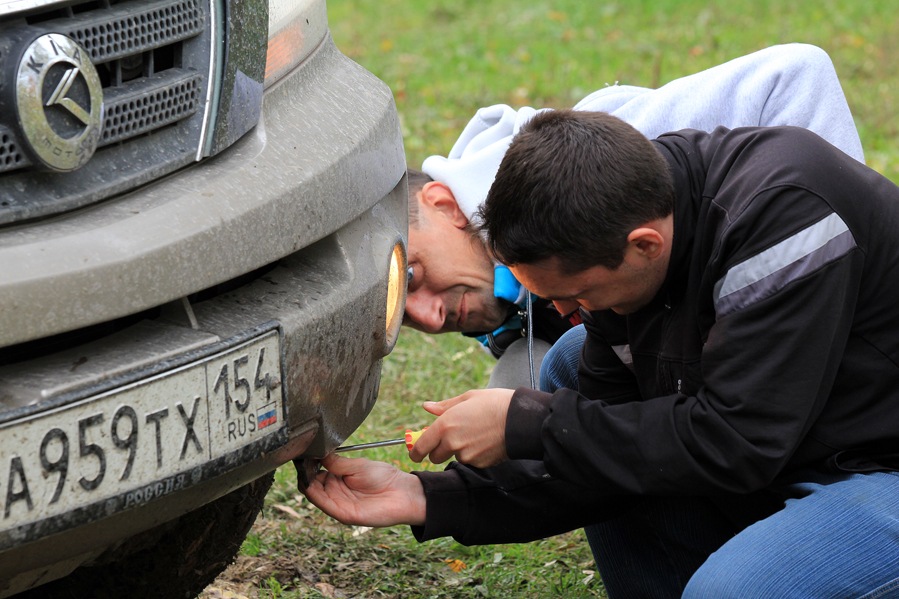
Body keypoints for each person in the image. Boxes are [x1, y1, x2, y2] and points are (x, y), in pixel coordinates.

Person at [304, 109, 899, 597]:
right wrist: (429, 497)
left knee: (729, 592)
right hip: (804, 450)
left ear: (645, 246)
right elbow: (603, 462)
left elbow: (738, 442)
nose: (570, 312)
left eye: (577, 294)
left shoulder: (785, 218)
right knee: (570, 364)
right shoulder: (621, 212)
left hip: (876, 464)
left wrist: (529, 423)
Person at [403, 43, 866, 391]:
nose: (428, 317)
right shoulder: (505, 303)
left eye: (412, 275)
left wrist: (826, 282)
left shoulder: (582, 167)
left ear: (443, 204)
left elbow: (797, 73)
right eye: (401, 319)